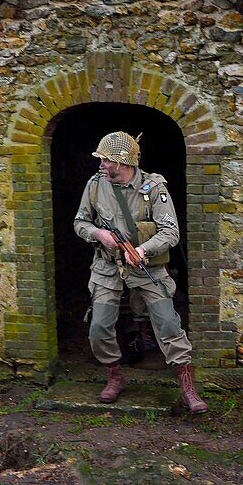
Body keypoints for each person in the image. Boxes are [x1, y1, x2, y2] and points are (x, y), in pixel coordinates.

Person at [73, 131, 208, 414]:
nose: (101, 165)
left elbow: (171, 232)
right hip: (107, 267)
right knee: (99, 327)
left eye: (106, 160)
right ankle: (115, 376)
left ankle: (187, 389)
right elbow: (80, 222)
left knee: (168, 325)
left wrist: (143, 250)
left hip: (147, 267)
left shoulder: (155, 188)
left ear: (122, 163)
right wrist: (99, 234)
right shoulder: (96, 185)